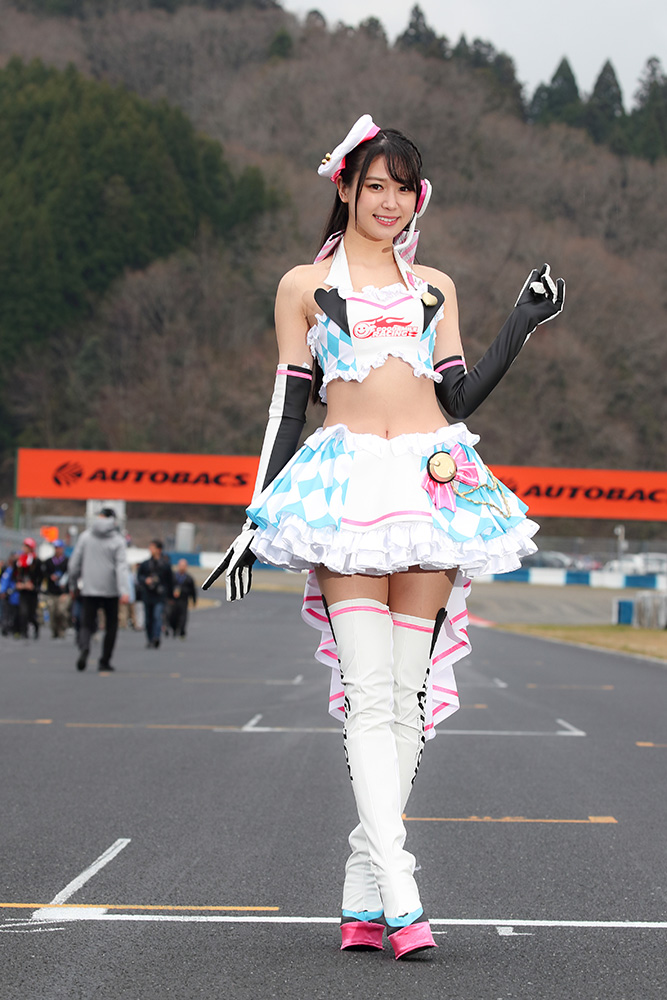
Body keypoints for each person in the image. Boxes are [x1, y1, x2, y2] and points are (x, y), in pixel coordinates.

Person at [205, 115, 565, 958]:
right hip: (347, 489)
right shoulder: (304, 286)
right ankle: (401, 891)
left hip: (432, 486)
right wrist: (253, 518)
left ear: (417, 198)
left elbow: (457, 397)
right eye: (375, 185)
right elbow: (287, 407)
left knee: (407, 698)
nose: (389, 202)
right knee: (369, 694)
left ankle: (362, 889)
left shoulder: (433, 287)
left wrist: (522, 322)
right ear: (344, 187)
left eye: (403, 188)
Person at [68, 508, 130, 671]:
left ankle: (84, 647)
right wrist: (124, 590)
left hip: (89, 588)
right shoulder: (118, 540)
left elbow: (74, 564)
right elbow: (121, 567)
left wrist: (73, 584)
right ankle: (104, 660)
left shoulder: (85, 537)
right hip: (111, 590)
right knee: (111, 626)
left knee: (86, 623)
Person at [137, 540, 173, 648]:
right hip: (148, 595)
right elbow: (139, 577)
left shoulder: (165, 565)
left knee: (157, 616)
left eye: (152, 547)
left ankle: (156, 637)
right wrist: (145, 580)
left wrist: (170, 596)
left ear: (159, 550)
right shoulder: (145, 564)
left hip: (160, 596)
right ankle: (150, 639)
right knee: (148, 619)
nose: (150, 550)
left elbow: (170, 581)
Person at [15, 538, 43, 639]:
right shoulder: (19, 561)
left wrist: (33, 585)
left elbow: (40, 577)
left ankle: (36, 627)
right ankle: (24, 632)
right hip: (23, 591)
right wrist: (19, 583)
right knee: (23, 612)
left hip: (32, 592)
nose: (24, 548)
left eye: (27, 547)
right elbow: (15, 575)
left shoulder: (36, 561)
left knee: (31, 614)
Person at [42, 539, 70, 638]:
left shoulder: (67, 561)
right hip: (52, 591)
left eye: (59, 548)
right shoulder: (49, 562)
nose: (57, 550)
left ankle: (62, 629)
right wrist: (50, 576)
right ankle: (54, 630)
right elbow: (44, 574)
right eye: (56, 548)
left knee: (61, 611)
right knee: (52, 611)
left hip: (63, 592)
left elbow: (70, 574)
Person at [168, 559, 197, 638]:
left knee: (183, 616)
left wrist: (194, 600)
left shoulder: (189, 578)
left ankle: (182, 630)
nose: (182, 568)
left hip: (183, 600)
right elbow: (168, 587)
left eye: (184, 566)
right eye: (181, 566)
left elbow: (193, 590)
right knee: (172, 616)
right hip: (173, 600)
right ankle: (174, 628)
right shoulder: (173, 576)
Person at [0, 553, 20, 637]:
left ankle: (14, 629)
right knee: (7, 613)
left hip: (16, 596)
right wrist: (3, 591)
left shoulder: (18, 571)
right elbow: (4, 582)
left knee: (14, 613)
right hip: (9, 595)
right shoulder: (8, 570)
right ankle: (6, 628)